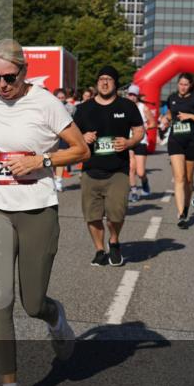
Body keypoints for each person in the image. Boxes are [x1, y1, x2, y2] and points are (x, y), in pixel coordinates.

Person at [0, 38, 88, 386]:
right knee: (0, 300)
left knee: (32, 303)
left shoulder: (47, 103)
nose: (1, 85)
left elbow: (80, 149)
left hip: (37, 209)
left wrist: (42, 160)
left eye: (9, 78)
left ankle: (56, 318)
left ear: (24, 71)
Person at [74, 67, 144, 266]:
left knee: (116, 214)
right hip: (90, 169)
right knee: (92, 215)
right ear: (97, 82)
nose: (105, 82)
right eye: (101, 79)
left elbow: (139, 131)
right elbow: (71, 134)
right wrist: (82, 137)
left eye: (109, 79)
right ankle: (99, 250)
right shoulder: (84, 108)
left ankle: (114, 241)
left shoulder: (127, 106)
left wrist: (129, 142)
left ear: (115, 83)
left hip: (118, 169)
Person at [159, 73, 194, 228]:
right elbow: (171, 112)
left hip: (192, 142)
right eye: (180, 84)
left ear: (190, 85)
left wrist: (190, 116)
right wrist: (166, 119)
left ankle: (186, 207)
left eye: (185, 85)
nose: (182, 87)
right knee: (179, 178)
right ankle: (181, 214)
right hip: (175, 141)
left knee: (188, 180)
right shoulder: (172, 97)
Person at [125, 84, 154, 201]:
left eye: (134, 95)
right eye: (130, 94)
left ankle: (145, 182)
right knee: (131, 168)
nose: (132, 97)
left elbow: (153, 123)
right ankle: (134, 191)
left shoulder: (143, 108)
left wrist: (145, 128)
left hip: (141, 140)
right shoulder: (124, 107)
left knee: (140, 172)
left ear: (137, 96)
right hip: (129, 140)